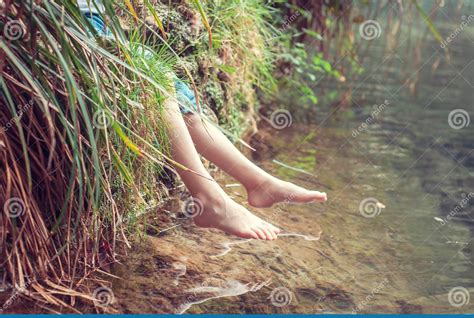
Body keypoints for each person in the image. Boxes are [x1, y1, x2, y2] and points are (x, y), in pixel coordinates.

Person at [78, 0, 327, 241]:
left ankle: (258, 183)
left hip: (99, 24)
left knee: (176, 95)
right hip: (73, 24)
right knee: (155, 76)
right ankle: (210, 199)